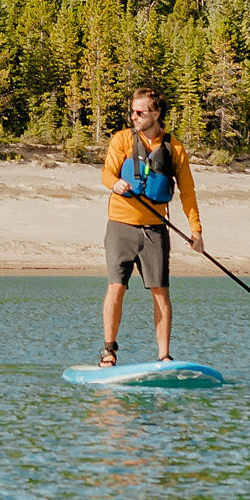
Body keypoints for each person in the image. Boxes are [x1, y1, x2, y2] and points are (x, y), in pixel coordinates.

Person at [99, 84, 204, 367]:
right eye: (132, 111)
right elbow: (107, 173)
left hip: (155, 229)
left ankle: (164, 355)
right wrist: (116, 183)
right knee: (116, 287)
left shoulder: (174, 148)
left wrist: (196, 231)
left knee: (161, 291)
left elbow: (188, 192)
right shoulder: (121, 140)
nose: (133, 116)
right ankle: (109, 351)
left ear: (155, 114)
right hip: (121, 225)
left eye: (139, 112)